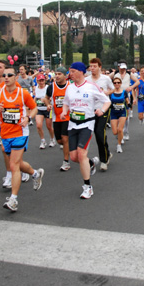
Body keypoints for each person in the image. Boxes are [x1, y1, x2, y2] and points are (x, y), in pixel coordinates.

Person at [0, 65, 44, 211]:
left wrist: (28, 118)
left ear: (15, 77)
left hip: (20, 133)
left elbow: (34, 108)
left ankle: (13, 200)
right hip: (5, 133)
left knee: (13, 165)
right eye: (4, 75)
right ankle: (35, 173)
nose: (6, 78)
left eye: (9, 75)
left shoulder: (22, 93)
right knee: (18, 163)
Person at [61, 62, 111, 199]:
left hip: (87, 124)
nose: (70, 74)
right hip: (72, 125)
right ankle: (91, 163)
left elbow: (107, 101)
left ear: (81, 72)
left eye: (72, 71)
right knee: (73, 157)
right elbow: (66, 102)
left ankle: (87, 187)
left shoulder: (91, 87)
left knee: (81, 154)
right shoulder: (69, 88)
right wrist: (64, 111)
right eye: (69, 71)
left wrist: (102, 110)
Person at [87, 58, 114, 171]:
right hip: (91, 110)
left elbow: (112, 89)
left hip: (103, 108)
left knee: (99, 132)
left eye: (94, 66)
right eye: (91, 66)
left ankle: (104, 161)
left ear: (99, 67)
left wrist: (107, 92)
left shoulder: (106, 79)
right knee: (98, 135)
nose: (92, 68)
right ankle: (107, 153)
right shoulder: (87, 79)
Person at [44, 67, 71, 171]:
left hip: (68, 117)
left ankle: (66, 162)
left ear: (65, 75)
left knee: (65, 138)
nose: (57, 76)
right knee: (60, 141)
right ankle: (69, 145)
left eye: (60, 74)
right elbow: (46, 98)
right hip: (56, 117)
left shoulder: (70, 86)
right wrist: (48, 104)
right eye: (56, 74)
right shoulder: (51, 87)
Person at [111, 62, 138, 141]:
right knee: (117, 113)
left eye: (124, 68)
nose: (123, 70)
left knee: (126, 115)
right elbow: (106, 79)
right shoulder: (115, 73)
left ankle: (125, 132)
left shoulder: (129, 74)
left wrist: (131, 87)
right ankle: (120, 132)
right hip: (116, 95)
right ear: (119, 67)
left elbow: (137, 82)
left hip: (126, 95)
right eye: (121, 68)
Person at [34, 74, 56, 149]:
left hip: (48, 109)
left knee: (49, 126)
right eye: (39, 80)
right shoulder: (36, 88)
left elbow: (52, 98)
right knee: (38, 125)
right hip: (39, 109)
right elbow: (35, 98)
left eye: (42, 80)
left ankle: (52, 139)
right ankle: (42, 141)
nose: (41, 82)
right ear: (37, 81)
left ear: (45, 80)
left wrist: (48, 100)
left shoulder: (48, 88)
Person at [109, 77, 129, 153]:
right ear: (113, 84)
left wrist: (128, 112)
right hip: (113, 113)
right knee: (115, 132)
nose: (116, 84)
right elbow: (107, 102)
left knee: (120, 129)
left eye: (118, 82)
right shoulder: (111, 93)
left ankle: (119, 145)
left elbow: (127, 102)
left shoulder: (124, 92)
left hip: (122, 112)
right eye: (115, 83)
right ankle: (120, 136)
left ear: (120, 83)